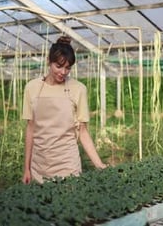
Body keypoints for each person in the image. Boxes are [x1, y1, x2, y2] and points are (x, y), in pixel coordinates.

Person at [22, 35, 107, 184]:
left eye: (68, 68)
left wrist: (99, 164)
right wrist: (27, 169)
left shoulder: (78, 89)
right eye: (59, 66)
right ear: (49, 61)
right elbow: (30, 129)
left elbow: (83, 132)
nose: (63, 72)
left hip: (68, 165)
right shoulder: (32, 88)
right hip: (39, 166)